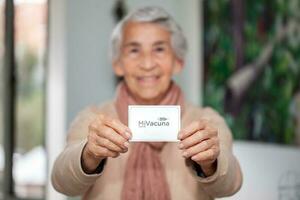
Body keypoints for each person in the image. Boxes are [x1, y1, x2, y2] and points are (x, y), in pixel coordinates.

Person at [51, 6, 243, 200]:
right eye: (134, 50)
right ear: (117, 63)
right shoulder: (93, 120)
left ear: (178, 61)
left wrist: (210, 163)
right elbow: (62, 183)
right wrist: (89, 155)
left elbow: (230, 185)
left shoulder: (205, 122)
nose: (147, 63)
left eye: (159, 49)